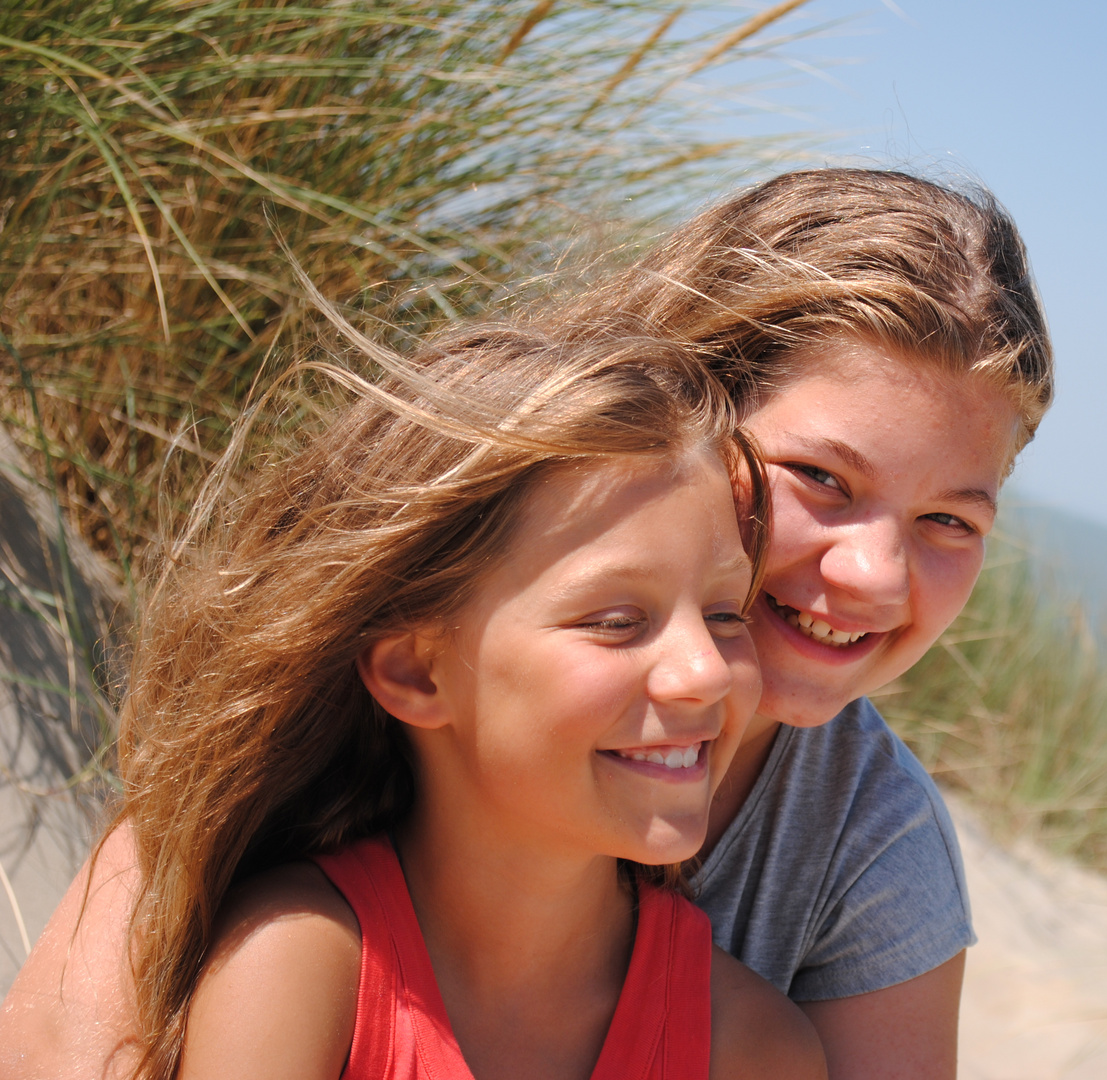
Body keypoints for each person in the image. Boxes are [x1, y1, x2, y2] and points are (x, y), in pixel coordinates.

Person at [1, 168, 1053, 1079]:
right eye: (820, 478)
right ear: (676, 413)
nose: (872, 572)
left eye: (948, 520)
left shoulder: (870, 845)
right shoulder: (322, 764)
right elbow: (69, 1050)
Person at [12, 319, 826, 1080]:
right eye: (615, 621)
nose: (708, 671)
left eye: (725, 614)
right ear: (414, 673)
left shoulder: (752, 1046)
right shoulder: (299, 966)